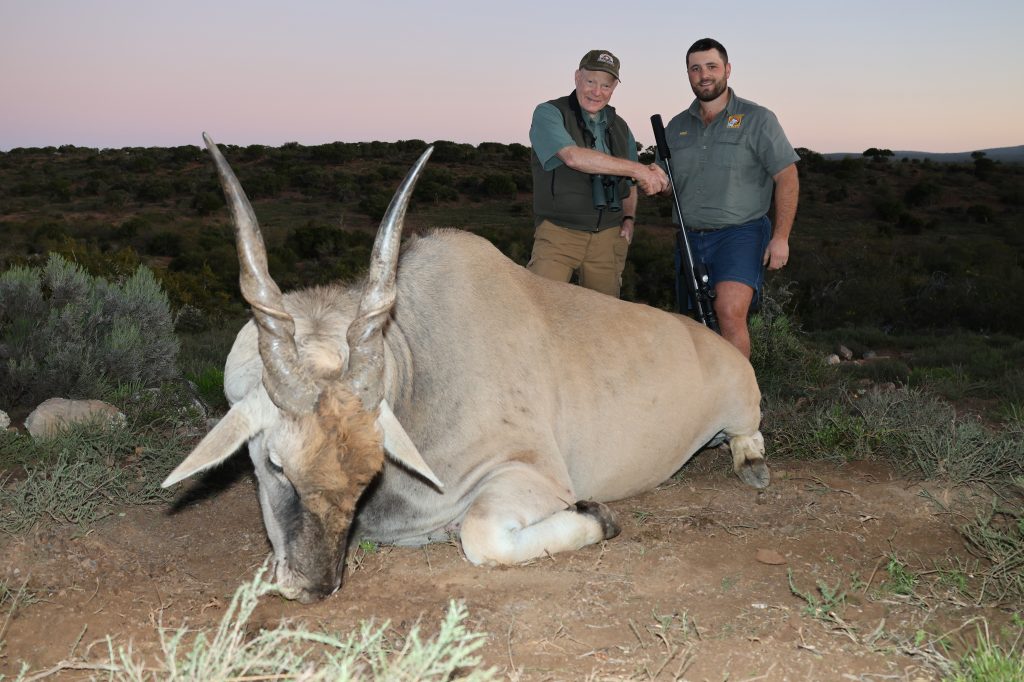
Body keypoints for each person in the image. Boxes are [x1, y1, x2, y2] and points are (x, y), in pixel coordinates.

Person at [661, 38, 799, 357]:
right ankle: (707, 396)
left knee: (728, 313)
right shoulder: (676, 126)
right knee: (695, 323)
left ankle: (741, 401)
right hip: (689, 237)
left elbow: (787, 176)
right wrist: (650, 179)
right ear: (688, 74)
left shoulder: (758, 119)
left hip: (740, 233)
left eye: (711, 66)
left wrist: (781, 237)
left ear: (727, 69)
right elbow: (666, 180)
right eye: (695, 68)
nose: (703, 74)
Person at [528, 50, 669, 298]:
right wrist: (639, 169)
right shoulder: (549, 113)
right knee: (539, 308)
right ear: (576, 77)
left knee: (606, 320)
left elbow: (631, 184)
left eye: (606, 85)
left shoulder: (620, 126)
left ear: (614, 87)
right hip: (559, 235)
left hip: (608, 238)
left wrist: (628, 219)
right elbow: (572, 156)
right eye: (590, 81)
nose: (597, 91)